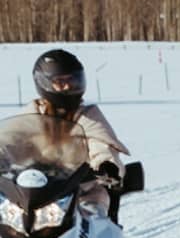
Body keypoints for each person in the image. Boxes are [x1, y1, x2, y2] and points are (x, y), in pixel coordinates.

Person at [0, 49, 133, 213]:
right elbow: (11, 138)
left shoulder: (87, 115)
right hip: (33, 192)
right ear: (44, 83)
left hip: (80, 191)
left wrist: (106, 165)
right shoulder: (33, 113)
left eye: (72, 80)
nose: (68, 86)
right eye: (60, 81)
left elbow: (100, 142)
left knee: (94, 208)